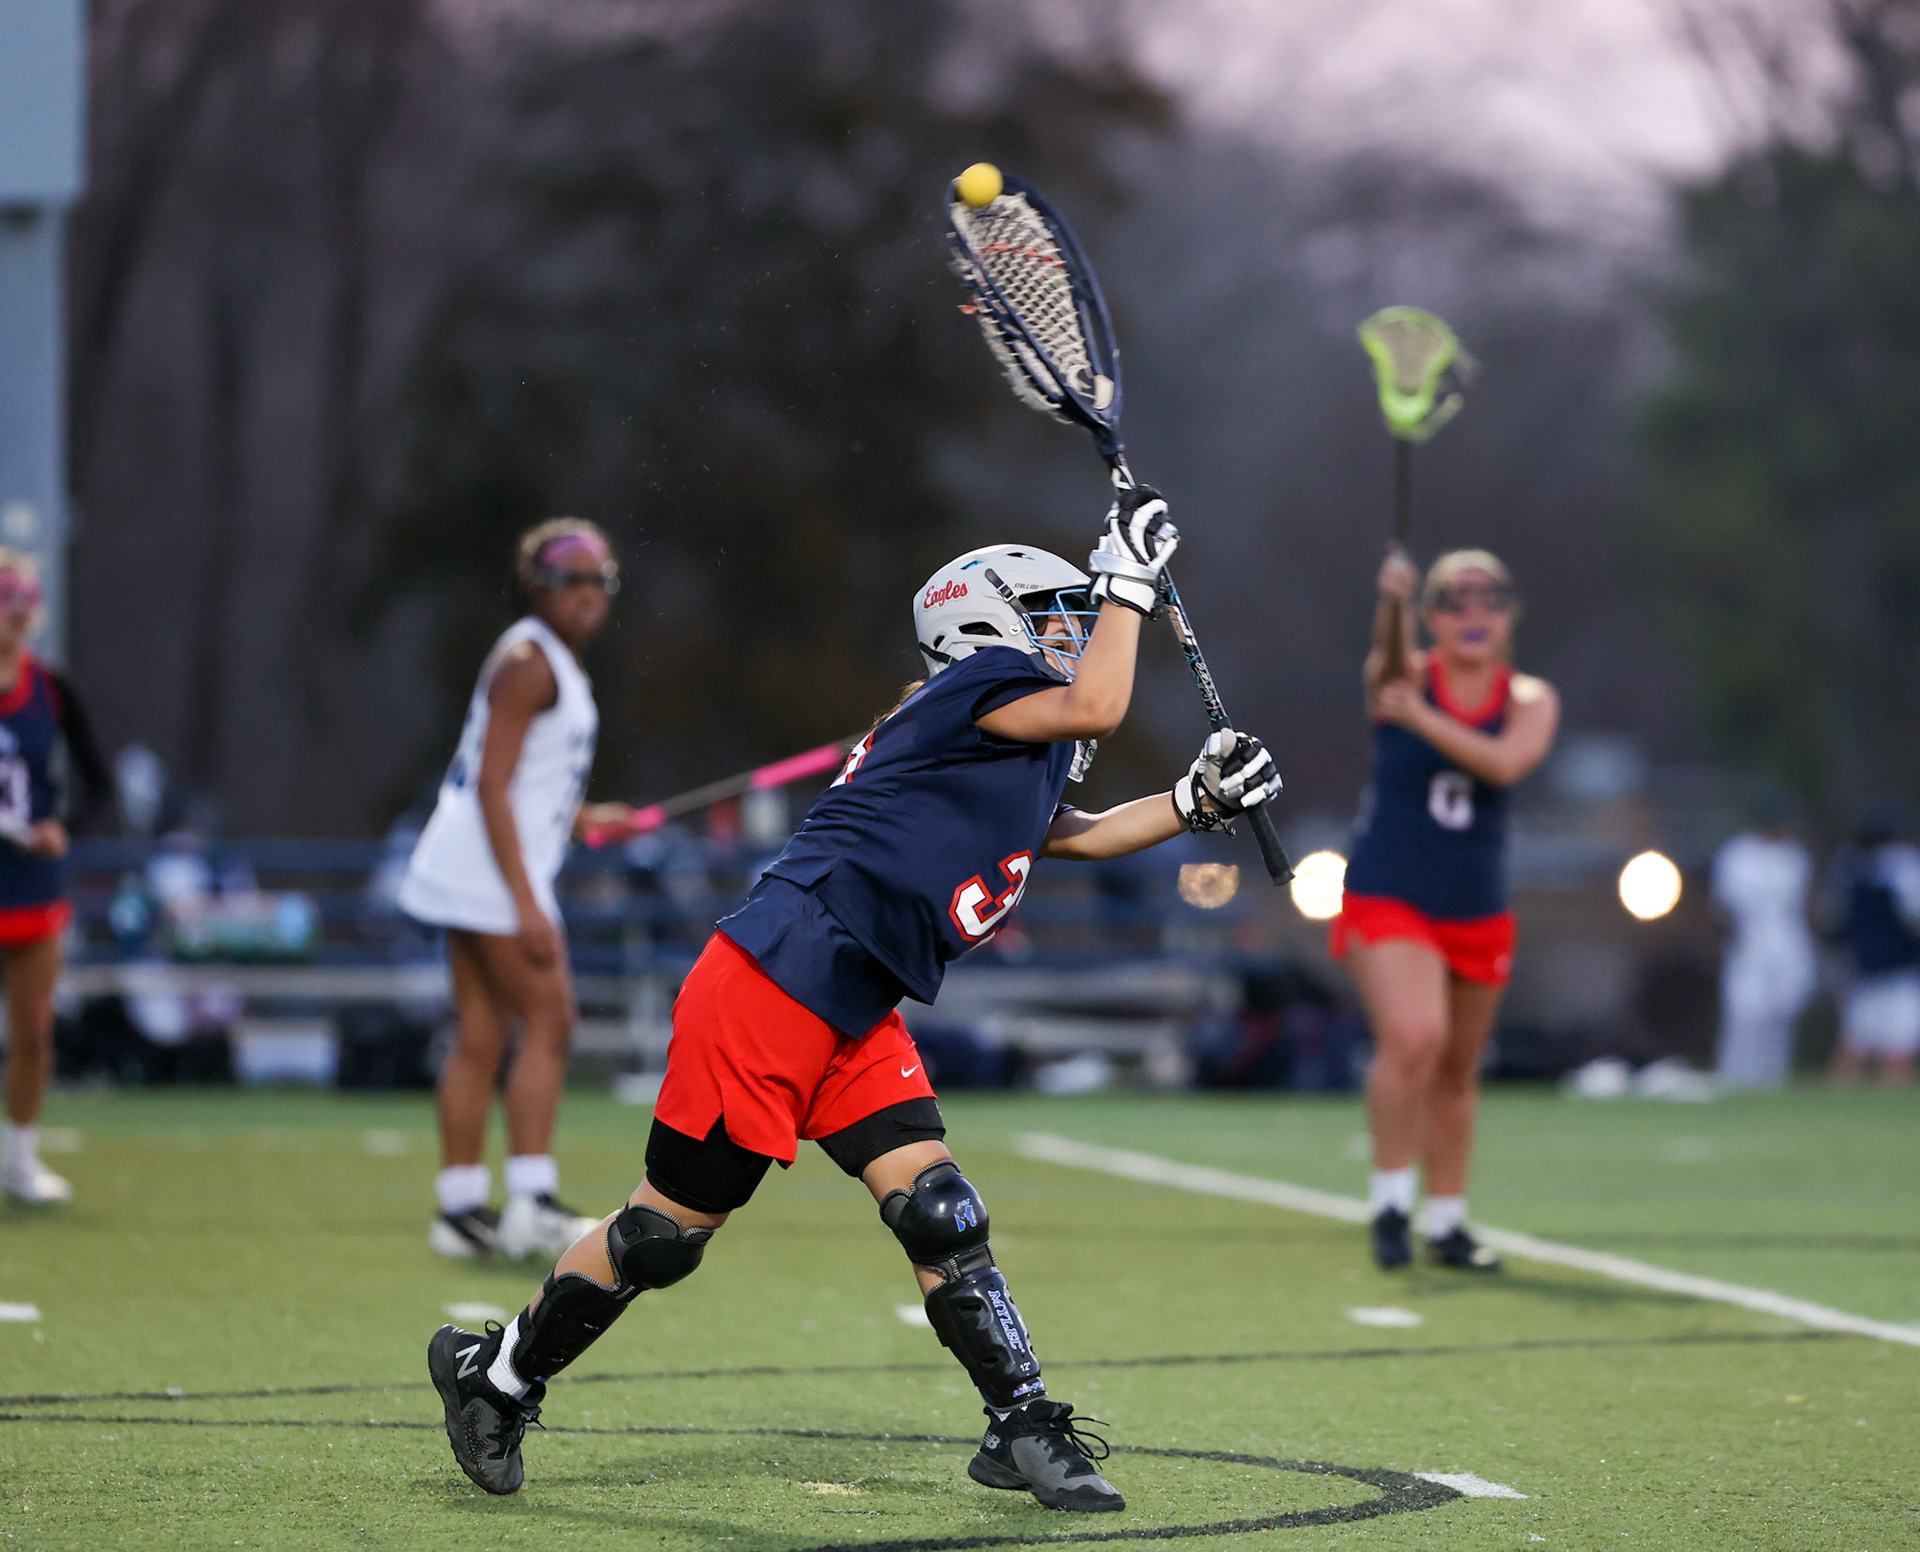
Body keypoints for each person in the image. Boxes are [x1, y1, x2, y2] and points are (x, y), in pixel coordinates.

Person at [426, 492, 1282, 1512]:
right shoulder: (980, 687)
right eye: (1057, 615)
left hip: (853, 997)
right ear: (984, 626)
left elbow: (1080, 831)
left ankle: (1023, 1424)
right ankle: (499, 1375)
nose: (1078, 633)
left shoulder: (1012, 740)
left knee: (940, 1208)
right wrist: (1128, 582)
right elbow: (1100, 703)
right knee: (666, 1231)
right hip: (773, 978)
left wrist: (1194, 804)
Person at [399, 520, 639, 1260]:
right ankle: (530, 1202)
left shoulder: (547, 660)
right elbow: (493, 788)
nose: (590, 592)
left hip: (474, 864)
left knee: (481, 1034)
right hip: (492, 872)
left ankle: (460, 1211)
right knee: (553, 1017)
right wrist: (527, 903)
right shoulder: (531, 661)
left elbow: (522, 784)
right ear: (538, 584)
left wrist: (583, 818)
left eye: (602, 578)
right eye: (574, 578)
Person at [1332, 546, 1559, 1272]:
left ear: (1508, 614)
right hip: (1390, 891)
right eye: (1453, 601)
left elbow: (1502, 764)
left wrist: (1425, 723)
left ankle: (1450, 1221)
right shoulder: (1400, 676)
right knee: (1414, 1036)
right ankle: (1392, 1203)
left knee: (1459, 1069)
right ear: (1432, 615)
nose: (1472, 614)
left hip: (1476, 905)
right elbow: (1386, 659)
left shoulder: (1529, 698)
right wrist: (1391, 601)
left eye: (1487, 599)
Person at [0, 551, 114, 1204]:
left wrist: (62, 827)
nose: (13, 612)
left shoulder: (52, 687)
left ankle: (19, 1157)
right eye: (2, 597)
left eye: (22, 598)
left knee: (34, 1030)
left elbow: (99, 784)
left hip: (32, 891)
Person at [1710, 809, 1816, 1090]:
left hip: (1785, 938)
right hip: (1749, 938)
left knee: (1782, 1009)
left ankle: (1772, 1075)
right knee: (1745, 1009)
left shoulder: (1793, 855)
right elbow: (1723, 903)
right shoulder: (1738, 853)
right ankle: (1735, 1074)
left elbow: (1803, 902)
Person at [1824, 805, 1920, 1086]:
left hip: (1870, 969)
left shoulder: (1849, 866)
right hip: (1890, 970)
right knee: (1890, 1050)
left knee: (1861, 1046)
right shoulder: (1901, 866)